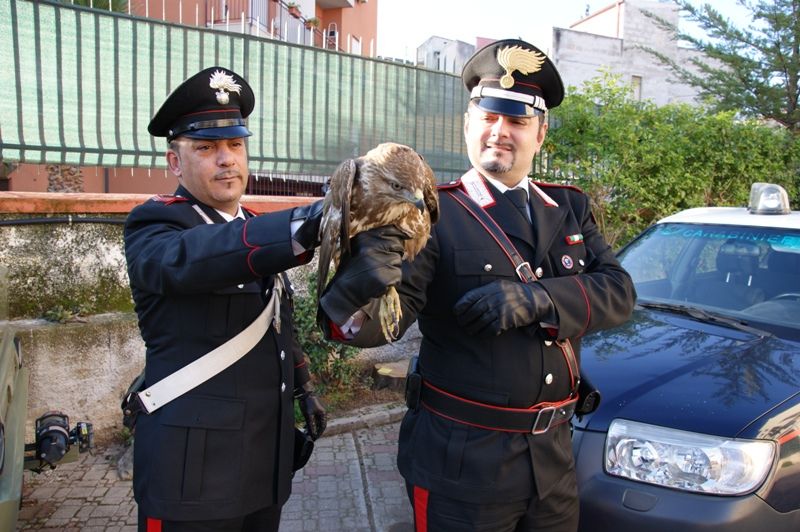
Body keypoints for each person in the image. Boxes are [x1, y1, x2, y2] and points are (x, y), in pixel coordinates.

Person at [318, 39, 636, 531]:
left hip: (552, 463)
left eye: (517, 121)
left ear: (541, 133)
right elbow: (379, 324)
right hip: (460, 467)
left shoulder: (568, 205)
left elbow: (618, 292)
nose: (499, 133)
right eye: (488, 117)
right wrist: (358, 287)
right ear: (468, 123)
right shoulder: (433, 215)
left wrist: (538, 297)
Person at [124, 66, 326, 532]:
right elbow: (200, 257)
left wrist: (303, 387)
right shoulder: (155, 226)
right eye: (206, 148)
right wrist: (305, 223)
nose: (226, 160)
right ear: (175, 162)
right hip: (191, 476)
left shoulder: (255, 226)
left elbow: (276, 320)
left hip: (263, 464)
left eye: (235, 145)